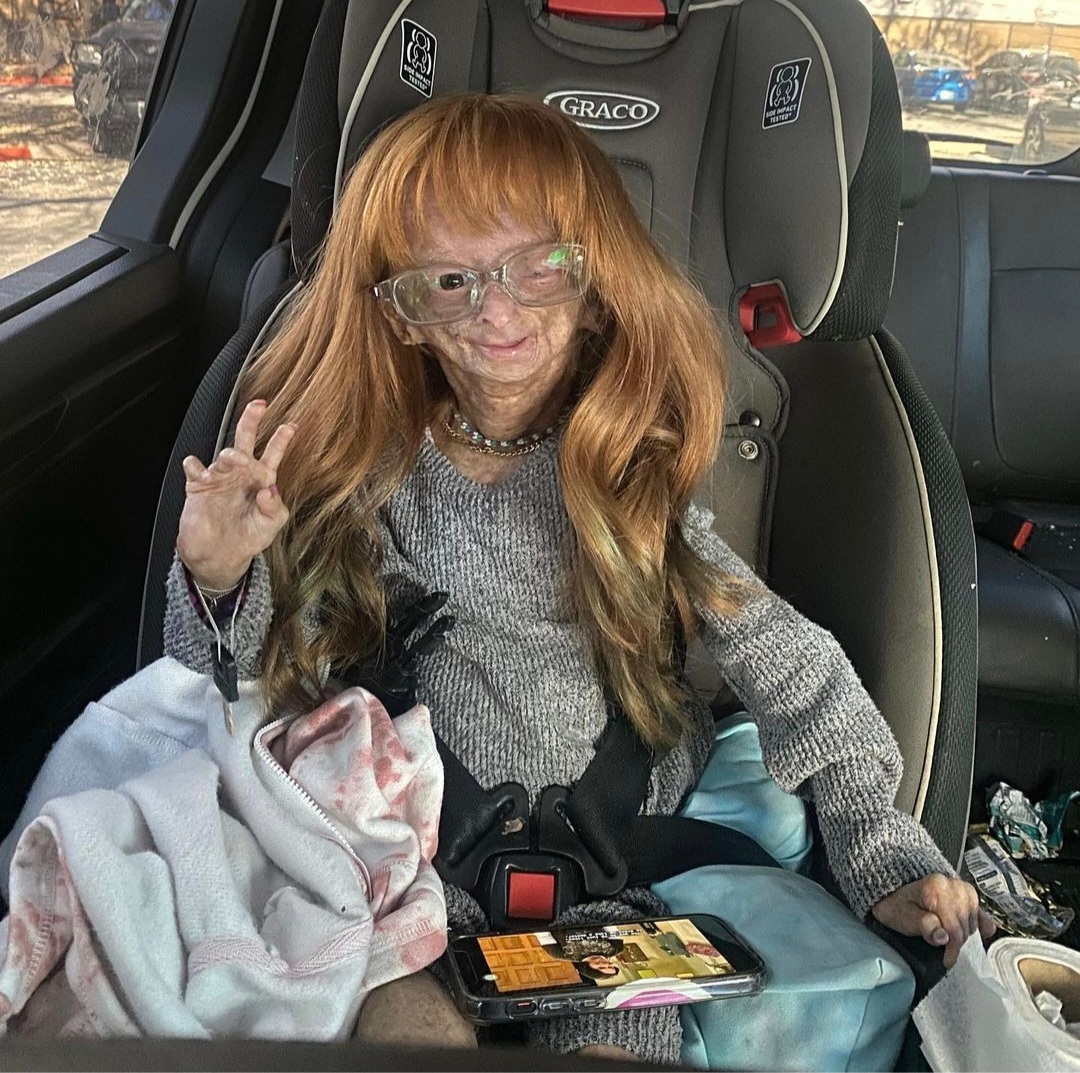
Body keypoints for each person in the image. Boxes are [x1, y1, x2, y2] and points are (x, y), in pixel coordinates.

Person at [164, 92, 993, 1064]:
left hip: (614, 881)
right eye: (449, 281)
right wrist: (220, 574)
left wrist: (878, 846)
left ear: (595, 285)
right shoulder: (362, 481)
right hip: (407, 874)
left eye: (538, 268)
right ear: (399, 310)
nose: (496, 310)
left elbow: (794, 667)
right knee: (398, 1026)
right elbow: (234, 697)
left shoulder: (628, 490)